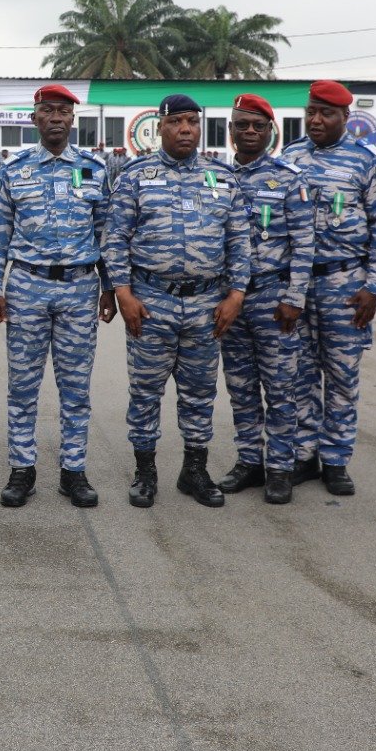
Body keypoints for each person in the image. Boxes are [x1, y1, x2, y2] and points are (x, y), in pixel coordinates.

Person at [104, 94, 250, 509]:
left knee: (200, 393)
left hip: (207, 305)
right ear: (160, 127)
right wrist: (124, 293)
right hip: (151, 303)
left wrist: (236, 294)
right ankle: (145, 472)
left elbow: (240, 242)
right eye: (176, 122)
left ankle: (194, 470)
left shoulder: (223, 178)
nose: (185, 129)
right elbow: (115, 239)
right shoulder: (136, 176)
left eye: (192, 122)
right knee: (146, 392)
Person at [0, 84, 115, 509]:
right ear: (35, 118)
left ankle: (73, 471)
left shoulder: (95, 168)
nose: (56, 118)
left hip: (79, 288)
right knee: (22, 386)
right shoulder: (15, 169)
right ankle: (22, 470)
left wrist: (110, 288)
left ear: (72, 120)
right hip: (26, 287)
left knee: (75, 388)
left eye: (63, 111)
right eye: (48, 111)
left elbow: (106, 236)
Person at [280, 81, 376, 496]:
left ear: (345, 118)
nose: (315, 120)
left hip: (345, 284)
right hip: (298, 283)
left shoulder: (369, 164)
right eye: (311, 111)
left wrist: (374, 287)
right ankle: (304, 453)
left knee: (342, 376)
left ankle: (336, 459)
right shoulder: (290, 157)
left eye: (326, 113)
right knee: (300, 373)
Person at [217, 94, 314, 505]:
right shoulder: (216, 178)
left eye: (258, 125)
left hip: (274, 298)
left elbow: (306, 243)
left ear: (271, 131)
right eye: (242, 125)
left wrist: (295, 297)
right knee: (240, 386)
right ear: (231, 131)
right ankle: (248, 460)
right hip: (230, 301)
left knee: (280, 387)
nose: (250, 132)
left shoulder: (289, 178)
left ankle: (280, 467)